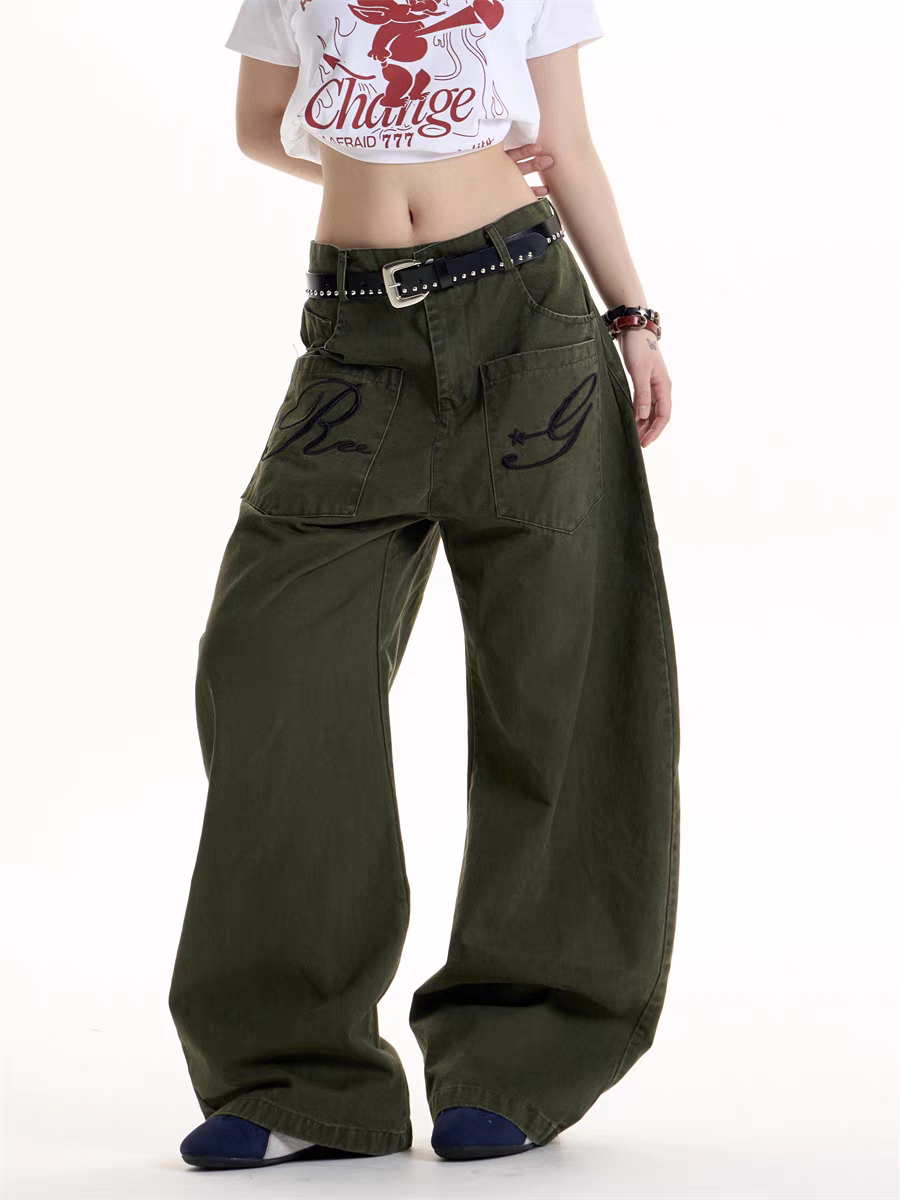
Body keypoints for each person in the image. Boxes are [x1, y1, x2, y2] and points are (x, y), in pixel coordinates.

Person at [167, 0, 680, 1171]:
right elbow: (260, 123)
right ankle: (299, 1077)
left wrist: (634, 319)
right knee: (271, 664)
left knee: (558, 678)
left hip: (526, 317)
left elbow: (567, 143)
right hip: (356, 338)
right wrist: (375, 153)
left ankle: (524, 1050)